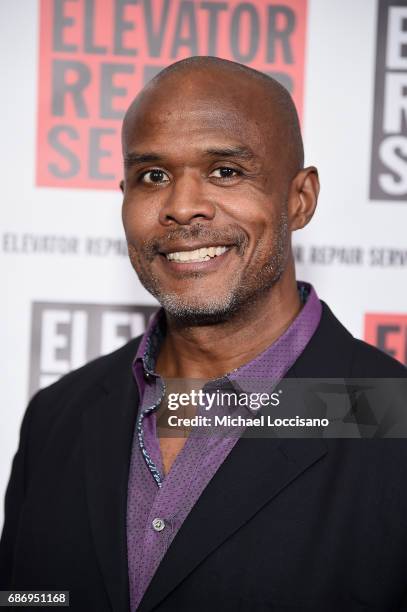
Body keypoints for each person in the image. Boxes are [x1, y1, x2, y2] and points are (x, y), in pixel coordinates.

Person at [1, 56, 407, 611]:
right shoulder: (58, 416)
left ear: (300, 199)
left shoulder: (390, 415)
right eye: (153, 176)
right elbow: (30, 598)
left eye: (225, 171)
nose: (182, 206)